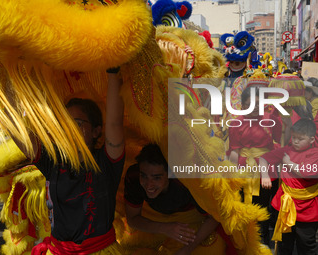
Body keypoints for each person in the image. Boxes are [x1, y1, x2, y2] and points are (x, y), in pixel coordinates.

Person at [15, 71, 125, 255]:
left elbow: (114, 123)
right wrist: (8, 75)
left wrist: (113, 72)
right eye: (63, 123)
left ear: (96, 131)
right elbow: (17, 130)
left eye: (77, 123)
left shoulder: (106, 161)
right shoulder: (53, 162)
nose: (68, 129)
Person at [124, 144, 236, 255]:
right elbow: (132, 218)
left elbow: (214, 217)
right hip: (155, 219)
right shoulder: (134, 176)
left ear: (170, 174)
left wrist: (187, 249)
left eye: (156, 178)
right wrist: (164, 228)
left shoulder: (187, 182)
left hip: (192, 222)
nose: (149, 185)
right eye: (144, 176)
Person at [228, 86, 284, 245]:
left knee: (263, 208)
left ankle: (262, 241)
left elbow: (278, 143)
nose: (253, 109)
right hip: (244, 170)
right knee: (245, 207)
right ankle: (245, 241)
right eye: (249, 105)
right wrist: (230, 176)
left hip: (265, 171)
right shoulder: (236, 123)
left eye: (257, 105)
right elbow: (234, 152)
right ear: (242, 106)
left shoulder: (271, 120)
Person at [260, 118, 318, 255]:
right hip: (285, 206)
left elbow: (306, 173)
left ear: (311, 140)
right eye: (294, 137)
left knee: (306, 244)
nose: (296, 141)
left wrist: (288, 162)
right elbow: (263, 158)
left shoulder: (315, 154)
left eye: (300, 139)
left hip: (307, 209)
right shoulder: (287, 150)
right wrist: (265, 174)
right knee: (284, 244)